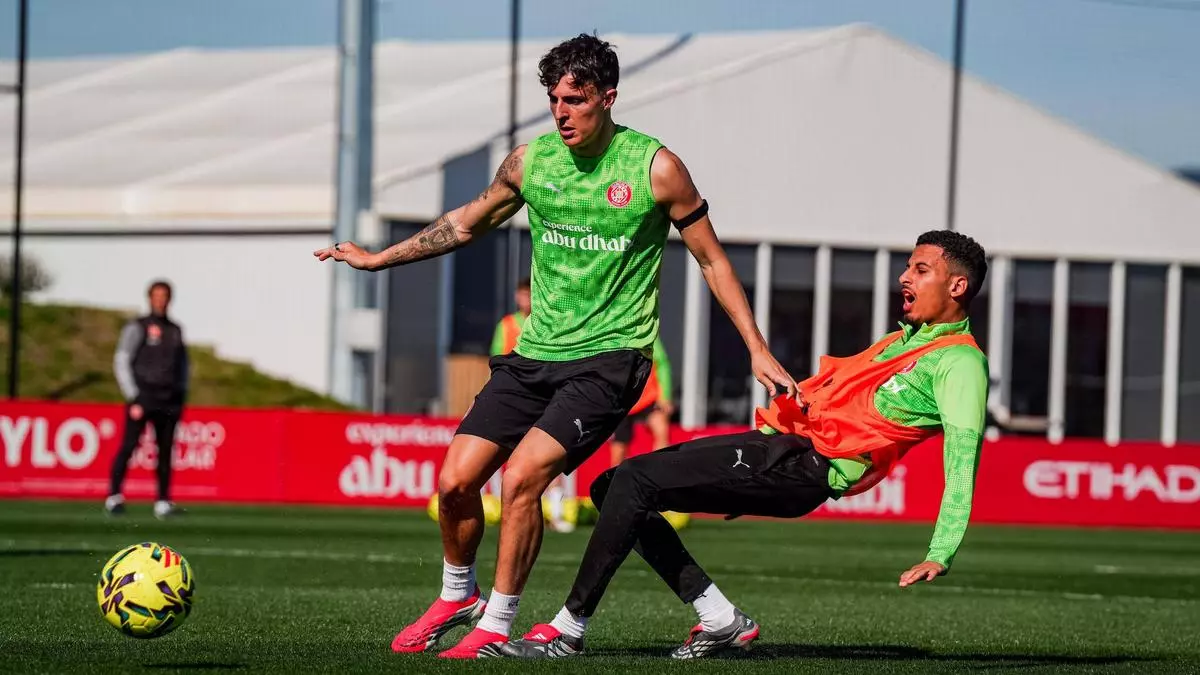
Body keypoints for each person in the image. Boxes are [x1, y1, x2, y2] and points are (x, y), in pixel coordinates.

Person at [314, 32, 797, 659]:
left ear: (608, 97)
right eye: (553, 100)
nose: (561, 113)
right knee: (455, 482)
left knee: (522, 479)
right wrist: (380, 259)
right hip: (534, 356)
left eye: (575, 100)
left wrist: (756, 347)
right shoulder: (530, 162)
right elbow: (466, 222)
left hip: (610, 359)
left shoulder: (655, 168)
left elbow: (712, 260)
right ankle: (459, 594)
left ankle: (496, 625)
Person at [499, 230, 990, 660]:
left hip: (806, 468)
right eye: (907, 266)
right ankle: (719, 618)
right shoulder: (903, 340)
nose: (904, 277)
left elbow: (962, 460)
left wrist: (940, 552)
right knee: (611, 486)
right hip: (778, 449)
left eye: (920, 269)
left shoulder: (961, 364)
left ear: (957, 286)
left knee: (632, 481)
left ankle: (567, 630)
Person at [491, 278, 573, 534]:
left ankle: (556, 513)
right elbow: (496, 358)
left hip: (547, 396)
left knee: (550, 456)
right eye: (523, 294)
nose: (526, 299)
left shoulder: (549, 321)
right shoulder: (507, 325)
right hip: (514, 397)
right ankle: (506, 509)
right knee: (505, 454)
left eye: (530, 294)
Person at [105, 280, 190, 520]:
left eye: (165, 296)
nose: (161, 300)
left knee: (166, 451)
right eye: (157, 295)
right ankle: (114, 496)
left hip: (169, 400)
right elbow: (122, 359)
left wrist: (181, 392)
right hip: (143, 398)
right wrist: (133, 395)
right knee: (129, 446)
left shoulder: (175, 330)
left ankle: (162, 501)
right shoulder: (138, 326)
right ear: (150, 298)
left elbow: (183, 364)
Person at [609, 335, 674, 467]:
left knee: (661, 428)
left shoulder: (648, 333)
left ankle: (659, 471)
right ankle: (617, 479)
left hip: (648, 398)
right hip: (622, 401)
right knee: (619, 451)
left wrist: (665, 397)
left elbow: (662, 364)